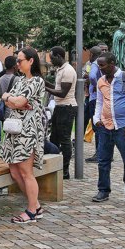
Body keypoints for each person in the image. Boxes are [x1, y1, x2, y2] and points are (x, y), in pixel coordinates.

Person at [1, 47, 48, 223]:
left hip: (28, 131)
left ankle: (31, 211)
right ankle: (36, 206)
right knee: (14, 171)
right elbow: (11, 101)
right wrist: (10, 99)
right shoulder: (19, 80)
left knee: (26, 172)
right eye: (17, 61)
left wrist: (11, 99)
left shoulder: (37, 81)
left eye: (20, 61)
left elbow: (19, 101)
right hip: (14, 129)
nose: (17, 64)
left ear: (31, 61)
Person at [91, 52, 125, 206]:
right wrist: (96, 119)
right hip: (105, 126)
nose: (100, 68)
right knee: (103, 160)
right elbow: (99, 102)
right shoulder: (101, 81)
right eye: (99, 65)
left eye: (102, 65)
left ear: (112, 63)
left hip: (123, 126)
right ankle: (103, 190)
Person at [46, 46, 77, 178]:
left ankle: (65, 170)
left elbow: (63, 93)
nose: (51, 60)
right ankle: (54, 167)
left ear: (59, 56)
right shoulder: (60, 69)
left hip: (67, 107)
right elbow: (57, 88)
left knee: (64, 139)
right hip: (60, 106)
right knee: (54, 138)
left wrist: (46, 88)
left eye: (52, 58)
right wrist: (44, 83)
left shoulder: (68, 70)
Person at [84, 45, 105, 163]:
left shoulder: (95, 64)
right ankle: (105, 152)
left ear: (91, 54)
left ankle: (99, 153)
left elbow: (92, 76)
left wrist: (97, 86)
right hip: (102, 98)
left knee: (97, 126)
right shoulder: (104, 64)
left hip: (95, 98)